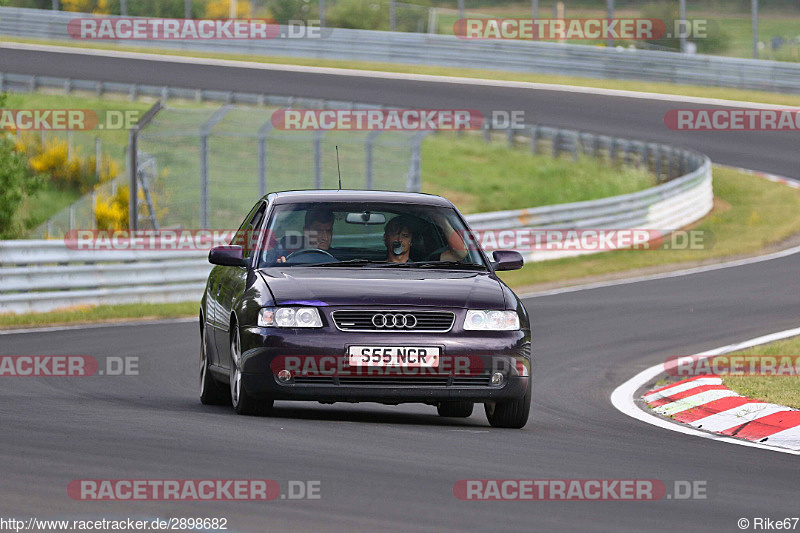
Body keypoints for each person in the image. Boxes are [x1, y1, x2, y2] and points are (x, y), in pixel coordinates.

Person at [384, 213, 468, 264]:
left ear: (411, 241)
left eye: (405, 236)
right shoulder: (373, 267)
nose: (399, 239)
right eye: (395, 234)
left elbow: (460, 253)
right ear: (385, 238)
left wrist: (442, 222)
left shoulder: (425, 264)